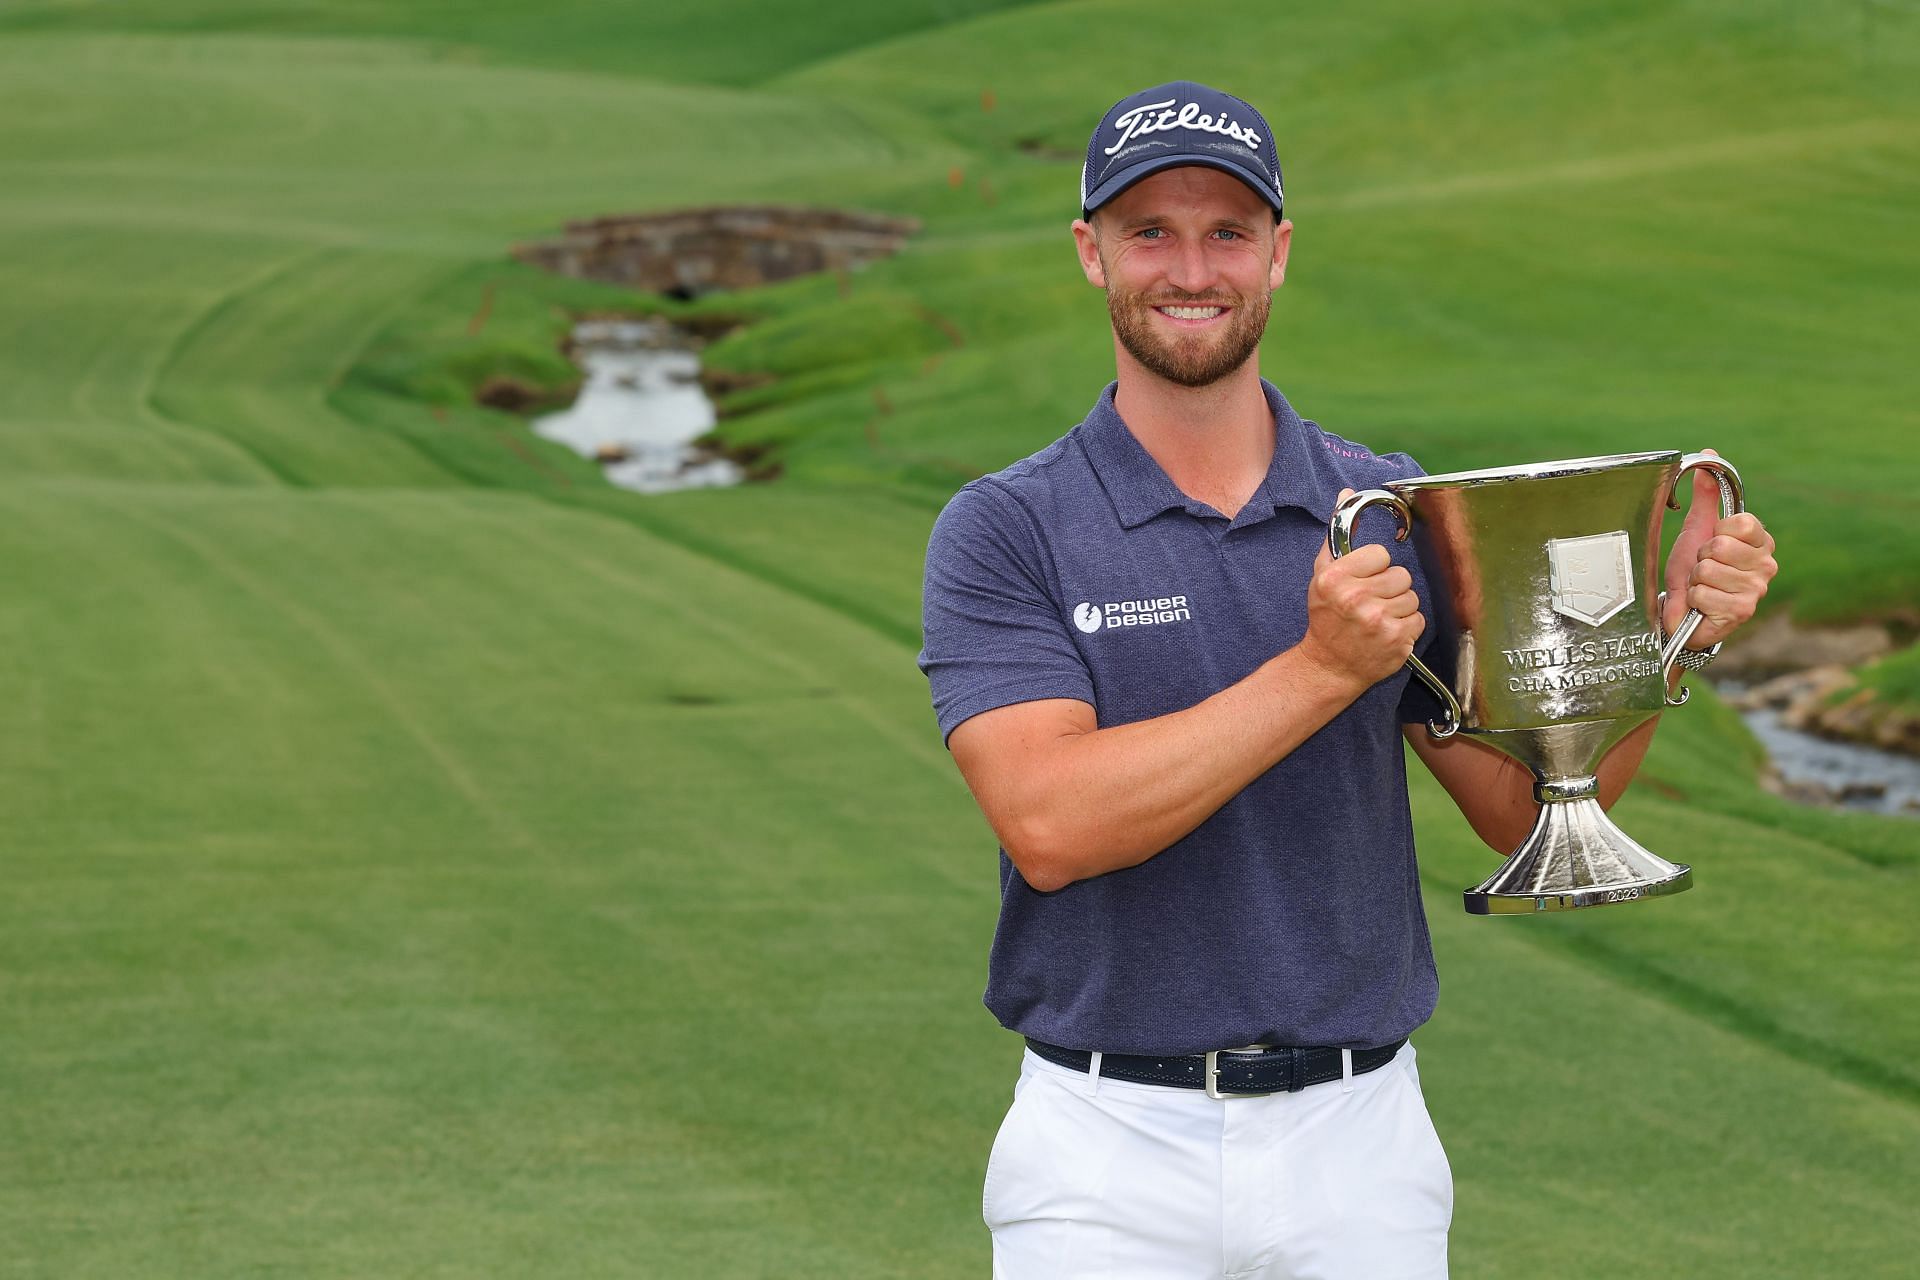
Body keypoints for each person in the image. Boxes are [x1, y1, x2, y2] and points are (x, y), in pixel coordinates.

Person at [916, 81, 1778, 1279]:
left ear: (1278, 255)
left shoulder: (1385, 503)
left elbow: (1527, 811)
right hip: (1104, 1148)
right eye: (1149, 231)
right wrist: (1321, 669)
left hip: (1357, 1142)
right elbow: (1052, 822)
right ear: (1090, 252)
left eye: (1227, 231)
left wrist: (1661, 633)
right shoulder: (1009, 527)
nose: (1190, 267)